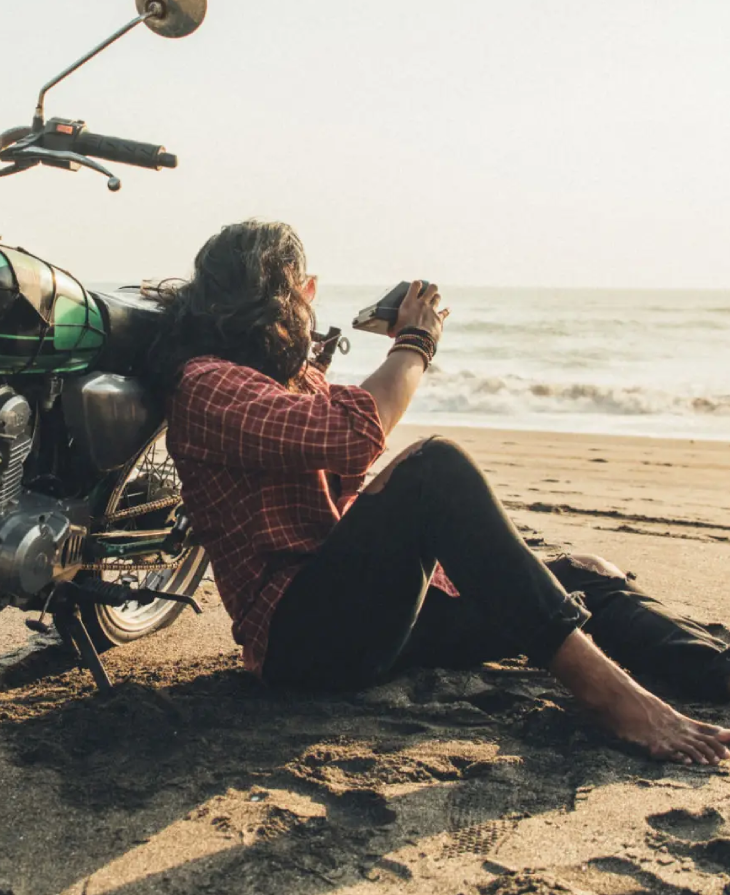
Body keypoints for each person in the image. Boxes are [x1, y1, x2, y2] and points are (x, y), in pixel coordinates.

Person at [156, 220, 730, 765]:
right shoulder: (205, 383)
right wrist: (415, 342)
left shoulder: (285, 381)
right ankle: (612, 699)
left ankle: (717, 672)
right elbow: (354, 434)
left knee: (585, 578)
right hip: (303, 641)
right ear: (283, 295)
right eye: (303, 289)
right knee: (435, 467)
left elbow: (343, 461)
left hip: (375, 619)